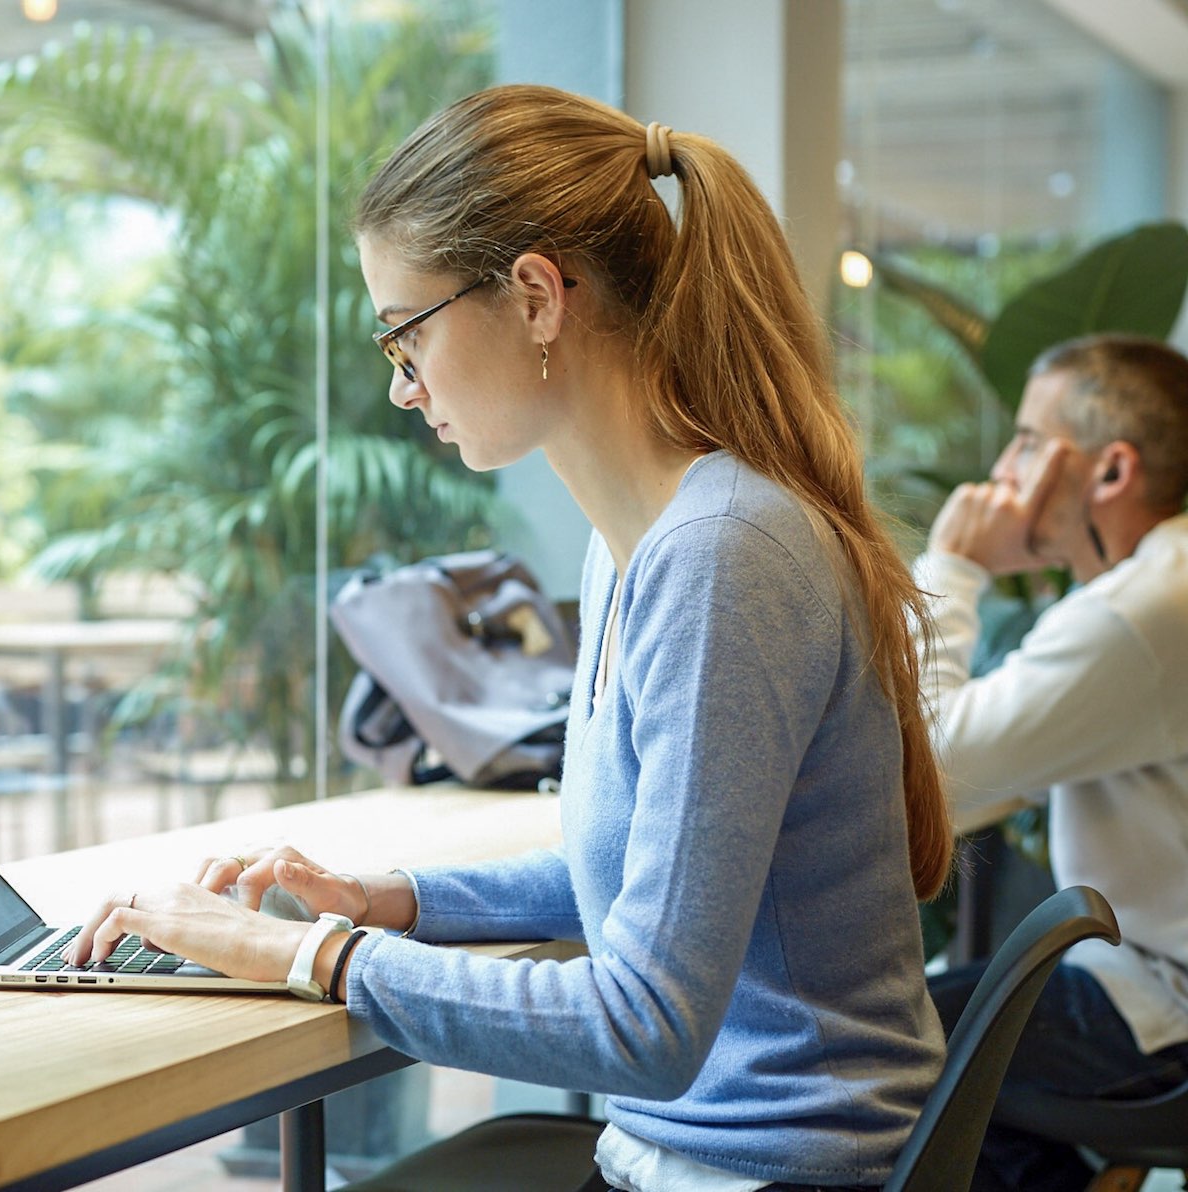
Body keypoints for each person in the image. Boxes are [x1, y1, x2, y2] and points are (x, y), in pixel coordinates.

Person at [62, 83, 955, 1190]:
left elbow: (645, 1024)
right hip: (700, 1153)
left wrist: (308, 954)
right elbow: (633, 874)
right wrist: (385, 899)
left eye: (407, 333)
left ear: (536, 296)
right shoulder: (643, 537)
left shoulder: (726, 553)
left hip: (766, 1168)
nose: (404, 387)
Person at [916, 333, 1188, 1192]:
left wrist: (953, 567)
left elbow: (926, 780)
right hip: (1150, 979)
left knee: (866, 1046)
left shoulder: (1141, 610)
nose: (1002, 466)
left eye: (1030, 441)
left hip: (1163, 1008)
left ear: (1110, 474)